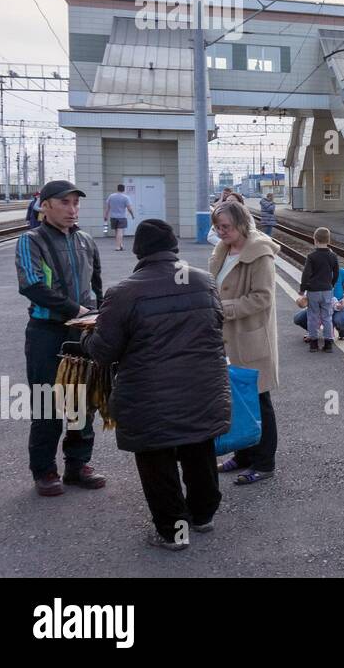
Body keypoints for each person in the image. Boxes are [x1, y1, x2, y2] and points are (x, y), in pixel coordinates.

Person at [85, 219, 229, 551]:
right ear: (173, 247)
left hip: (150, 398)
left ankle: (173, 532)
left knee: (157, 461)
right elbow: (216, 326)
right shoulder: (204, 281)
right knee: (198, 447)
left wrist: (88, 336)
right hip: (202, 389)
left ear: (139, 251)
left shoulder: (123, 292)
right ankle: (203, 516)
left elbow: (104, 352)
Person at [14, 180, 105, 496]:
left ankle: (78, 466)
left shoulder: (85, 240)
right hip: (46, 332)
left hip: (82, 332)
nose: (72, 209)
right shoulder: (31, 240)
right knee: (46, 402)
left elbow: (97, 284)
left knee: (83, 401)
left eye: (75, 203)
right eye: (64, 203)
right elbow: (32, 285)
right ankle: (44, 471)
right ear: (46, 205)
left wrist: (100, 313)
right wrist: (75, 308)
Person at [209, 199, 280, 485]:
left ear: (241, 223)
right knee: (236, 401)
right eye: (217, 226)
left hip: (250, 338)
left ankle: (265, 463)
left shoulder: (260, 254)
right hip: (226, 340)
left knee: (260, 401)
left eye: (225, 226)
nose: (221, 231)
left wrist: (223, 309)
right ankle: (243, 456)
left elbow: (263, 298)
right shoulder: (222, 250)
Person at [299, 227, 340, 353]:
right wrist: (331, 284)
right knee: (327, 316)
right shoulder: (333, 256)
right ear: (328, 240)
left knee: (313, 316)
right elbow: (336, 273)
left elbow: (306, 274)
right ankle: (328, 343)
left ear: (315, 240)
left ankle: (314, 344)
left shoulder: (311, 257)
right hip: (327, 290)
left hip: (313, 291)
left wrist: (302, 289)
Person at [294, 265, 344, 343]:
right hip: (317, 309)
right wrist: (302, 300)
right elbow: (306, 296)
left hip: (336, 306)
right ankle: (312, 333)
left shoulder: (341, 272)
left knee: (339, 320)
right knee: (299, 319)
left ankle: (341, 331)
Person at [103, 184, 135, 252]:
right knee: (120, 231)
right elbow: (129, 208)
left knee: (116, 231)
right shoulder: (126, 197)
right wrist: (132, 215)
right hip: (122, 217)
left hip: (113, 217)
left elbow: (108, 207)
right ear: (124, 189)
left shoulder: (111, 196)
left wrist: (105, 215)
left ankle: (120, 245)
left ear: (117, 188)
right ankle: (118, 246)